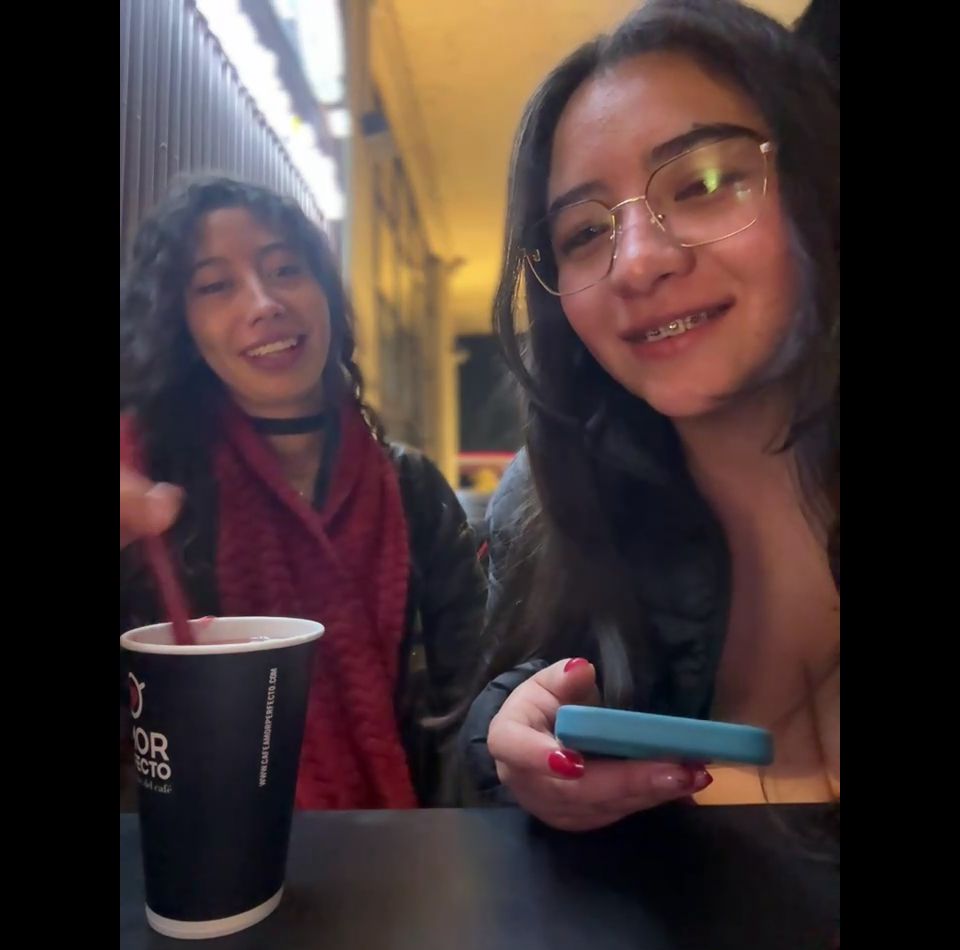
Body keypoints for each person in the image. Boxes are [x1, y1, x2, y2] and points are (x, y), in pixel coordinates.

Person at [459, 0, 839, 831]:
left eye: (704, 184)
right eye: (583, 234)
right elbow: (532, 684)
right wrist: (507, 742)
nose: (636, 264)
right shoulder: (551, 510)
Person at [120, 176, 486, 810]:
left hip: (413, 850)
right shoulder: (148, 504)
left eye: (285, 269)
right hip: (197, 854)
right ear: (182, 326)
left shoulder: (414, 489)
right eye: (215, 286)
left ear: (326, 295)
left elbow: (474, 699)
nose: (264, 303)